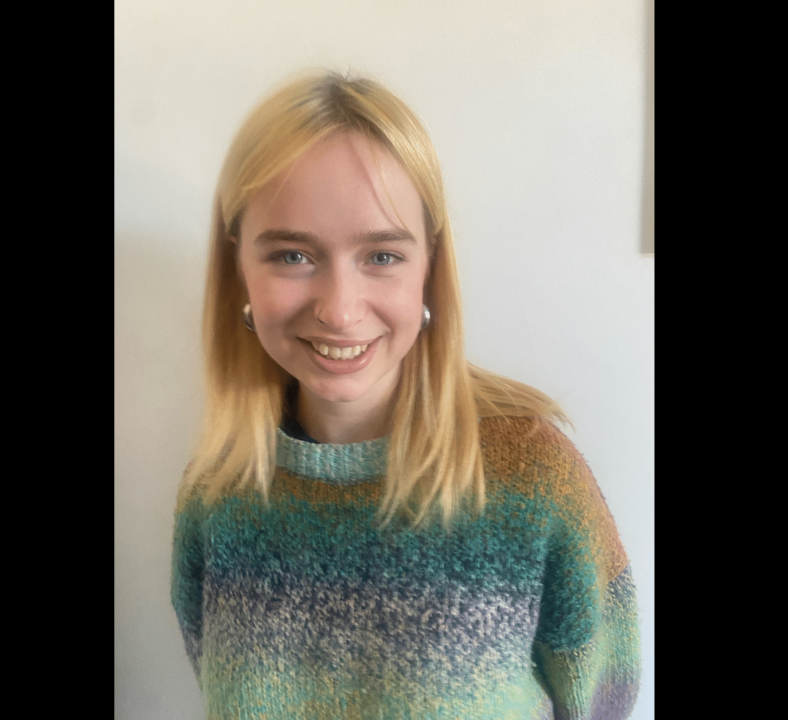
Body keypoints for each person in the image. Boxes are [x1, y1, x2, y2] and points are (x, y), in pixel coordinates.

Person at [172, 71, 640, 720]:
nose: (339, 311)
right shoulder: (215, 492)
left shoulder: (533, 479)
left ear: (429, 268)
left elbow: (605, 697)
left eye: (382, 256)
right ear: (238, 271)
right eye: (291, 255)